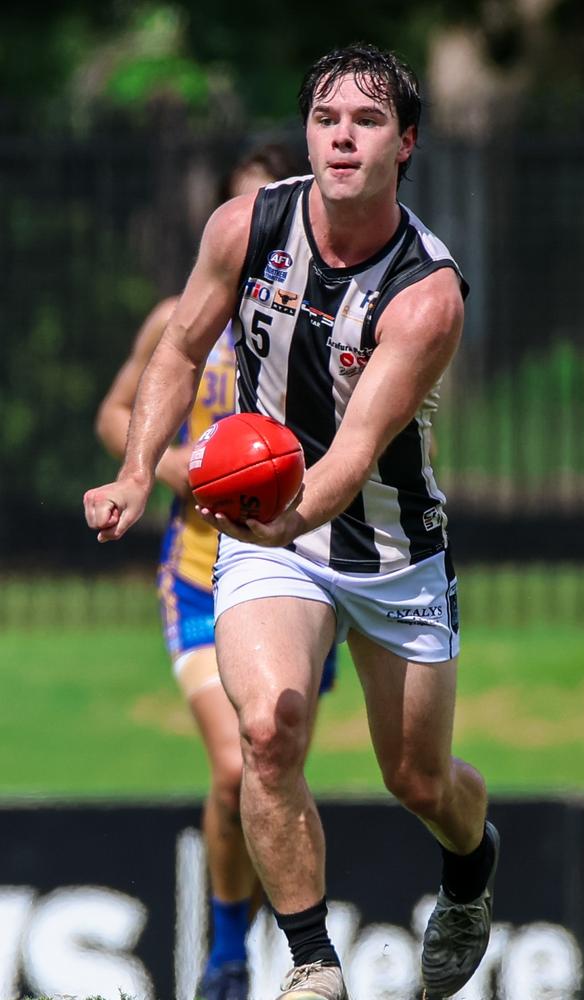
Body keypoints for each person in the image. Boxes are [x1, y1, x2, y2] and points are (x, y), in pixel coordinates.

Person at [84, 42, 499, 1000]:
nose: (342, 138)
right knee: (267, 733)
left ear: (407, 144)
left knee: (420, 784)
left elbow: (351, 460)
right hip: (275, 537)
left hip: (388, 545)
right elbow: (179, 350)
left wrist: (275, 511)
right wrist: (137, 469)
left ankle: (472, 872)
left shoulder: (426, 294)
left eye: (366, 121)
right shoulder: (247, 225)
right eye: (326, 119)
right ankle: (312, 964)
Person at [94, 143, 338, 1000]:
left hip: (305, 569)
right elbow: (117, 412)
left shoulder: (328, 315)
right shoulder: (182, 313)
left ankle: (301, 940)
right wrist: (188, 474)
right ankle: (232, 951)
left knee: (284, 759)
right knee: (239, 763)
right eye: (246, 213)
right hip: (200, 573)